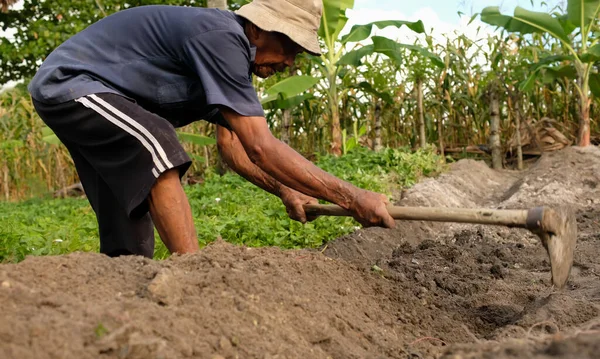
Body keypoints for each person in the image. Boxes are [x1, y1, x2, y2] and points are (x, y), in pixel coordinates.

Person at [28, 0, 395, 259]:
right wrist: (351, 196)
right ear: (258, 28)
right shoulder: (222, 38)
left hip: (83, 96)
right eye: (288, 45)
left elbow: (233, 147)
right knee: (157, 143)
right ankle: (193, 276)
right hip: (72, 83)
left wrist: (287, 190)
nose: (289, 61)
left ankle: (124, 293)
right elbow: (260, 147)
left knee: (129, 216)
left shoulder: (227, 64)